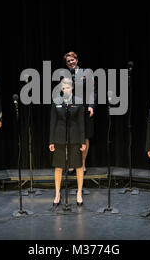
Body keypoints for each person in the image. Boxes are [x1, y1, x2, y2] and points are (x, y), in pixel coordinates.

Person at [49, 78, 86, 206]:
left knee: (78, 166)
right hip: (59, 138)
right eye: (63, 88)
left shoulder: (78, 102)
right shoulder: (57, 101)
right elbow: (52, 122)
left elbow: (81, 123)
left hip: (75, 138)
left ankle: (79, 193)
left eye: (68, 87)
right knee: (58, 166)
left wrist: (82, 141)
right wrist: (51, 141)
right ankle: (57, 193)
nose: (65, 90)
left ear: (72, 88)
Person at [64, 51, 95, 175]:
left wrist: (91, 106)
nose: (70, 62)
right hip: (70, 110)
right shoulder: (64, 75)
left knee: (85, 137)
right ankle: (72, 164)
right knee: (71, 137)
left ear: (76, 60)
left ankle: (82, 164)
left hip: (84, 109)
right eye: (68, 61)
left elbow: (93, 91)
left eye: (72, 60)